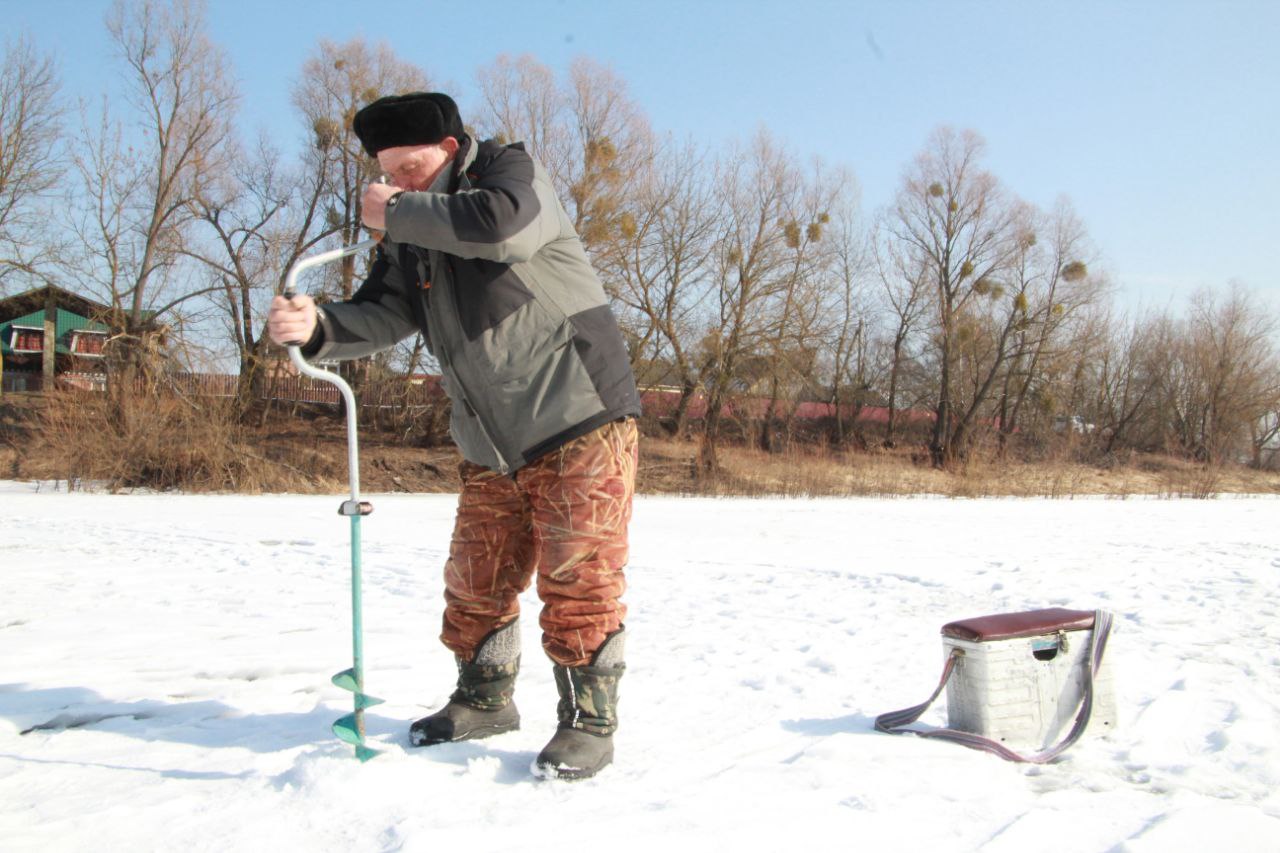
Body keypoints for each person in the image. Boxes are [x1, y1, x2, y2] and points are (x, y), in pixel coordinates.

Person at [267, 92, 641, 780]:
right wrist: (317, 327)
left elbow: (503, 230)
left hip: (576, 414)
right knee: (475, 579)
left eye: (409, 170)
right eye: (386, 174)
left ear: (446, 150)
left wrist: (399, 213)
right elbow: (384, 311)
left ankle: (589, 721)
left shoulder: (507, 174)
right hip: (488, 439)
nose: (395, 186)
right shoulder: (412, 233)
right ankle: (484, 698)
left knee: (578, 579)